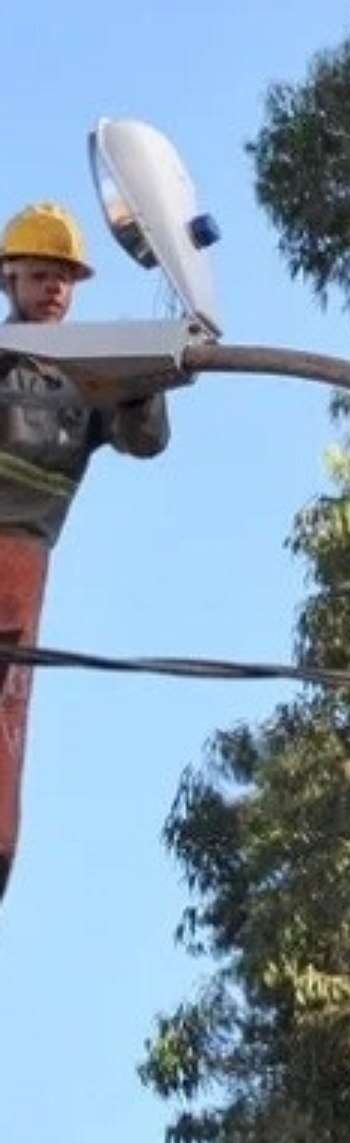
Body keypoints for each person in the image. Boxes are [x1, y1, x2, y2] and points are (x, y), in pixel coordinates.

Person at [0, 202, 170, 900]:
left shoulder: (90, 372)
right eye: (41, 276)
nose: (55, 290)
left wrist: (145, 381)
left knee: (9, 693)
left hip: (26, 553)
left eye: (65, 279)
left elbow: (144, 442)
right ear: (10, 279)